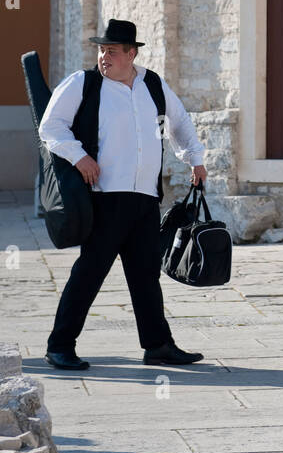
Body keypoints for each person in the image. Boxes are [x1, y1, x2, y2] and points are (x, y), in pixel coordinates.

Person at [41, 19, 208, 370]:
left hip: (145, 199)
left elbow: (180, 124)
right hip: (104, 198)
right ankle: (59, 346)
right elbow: (50, 126)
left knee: (146, 274)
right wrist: (80, 156)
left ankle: (158, 345)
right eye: (102, 50)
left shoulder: (153, 85)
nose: (104, 57)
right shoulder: (83, 84)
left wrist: (195, 160)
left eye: (112, 51)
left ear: (131, 53)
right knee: (89, 273)